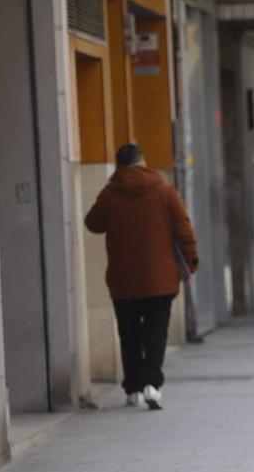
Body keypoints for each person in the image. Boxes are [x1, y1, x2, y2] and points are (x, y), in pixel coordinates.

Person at [85, 143, 198, 410]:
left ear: (119, 164)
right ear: (142, 161)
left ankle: (133, 388)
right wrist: (190, 264)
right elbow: (184, 231)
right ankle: (152, 385)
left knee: (130, 334)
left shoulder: (110, 194)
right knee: (155, 333)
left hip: (123, 280)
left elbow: (93, 223)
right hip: (160, 278)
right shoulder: (165, 191)